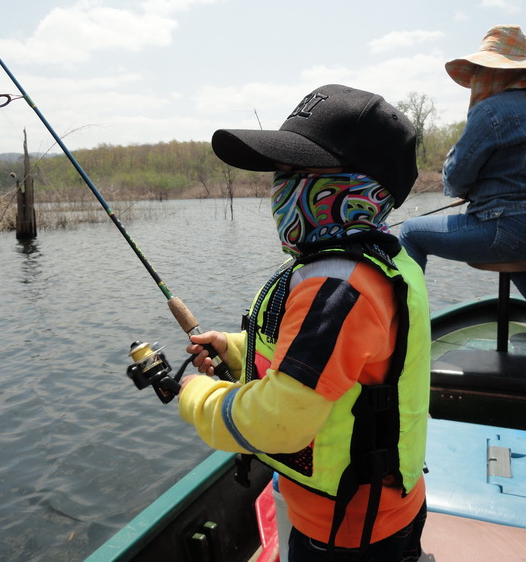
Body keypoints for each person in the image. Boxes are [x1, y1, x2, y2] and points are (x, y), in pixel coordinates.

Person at [178, 84, 431, 561]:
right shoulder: (375, 262)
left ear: (358, 187)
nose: (280, 185)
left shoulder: (337, 287)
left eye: (297, 172)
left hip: (348, 533)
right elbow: (335, 361)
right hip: (376, 511)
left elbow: (281, 420)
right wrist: (235, 350)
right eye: (281, 171)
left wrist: (197, 398)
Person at [398, 25, 526, 343]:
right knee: (521, 244)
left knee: (411, 232)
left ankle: (409, 328)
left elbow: (457, 174)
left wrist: (466, 191)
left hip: (511, 232)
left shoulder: (490, 110)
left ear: (495, 73)